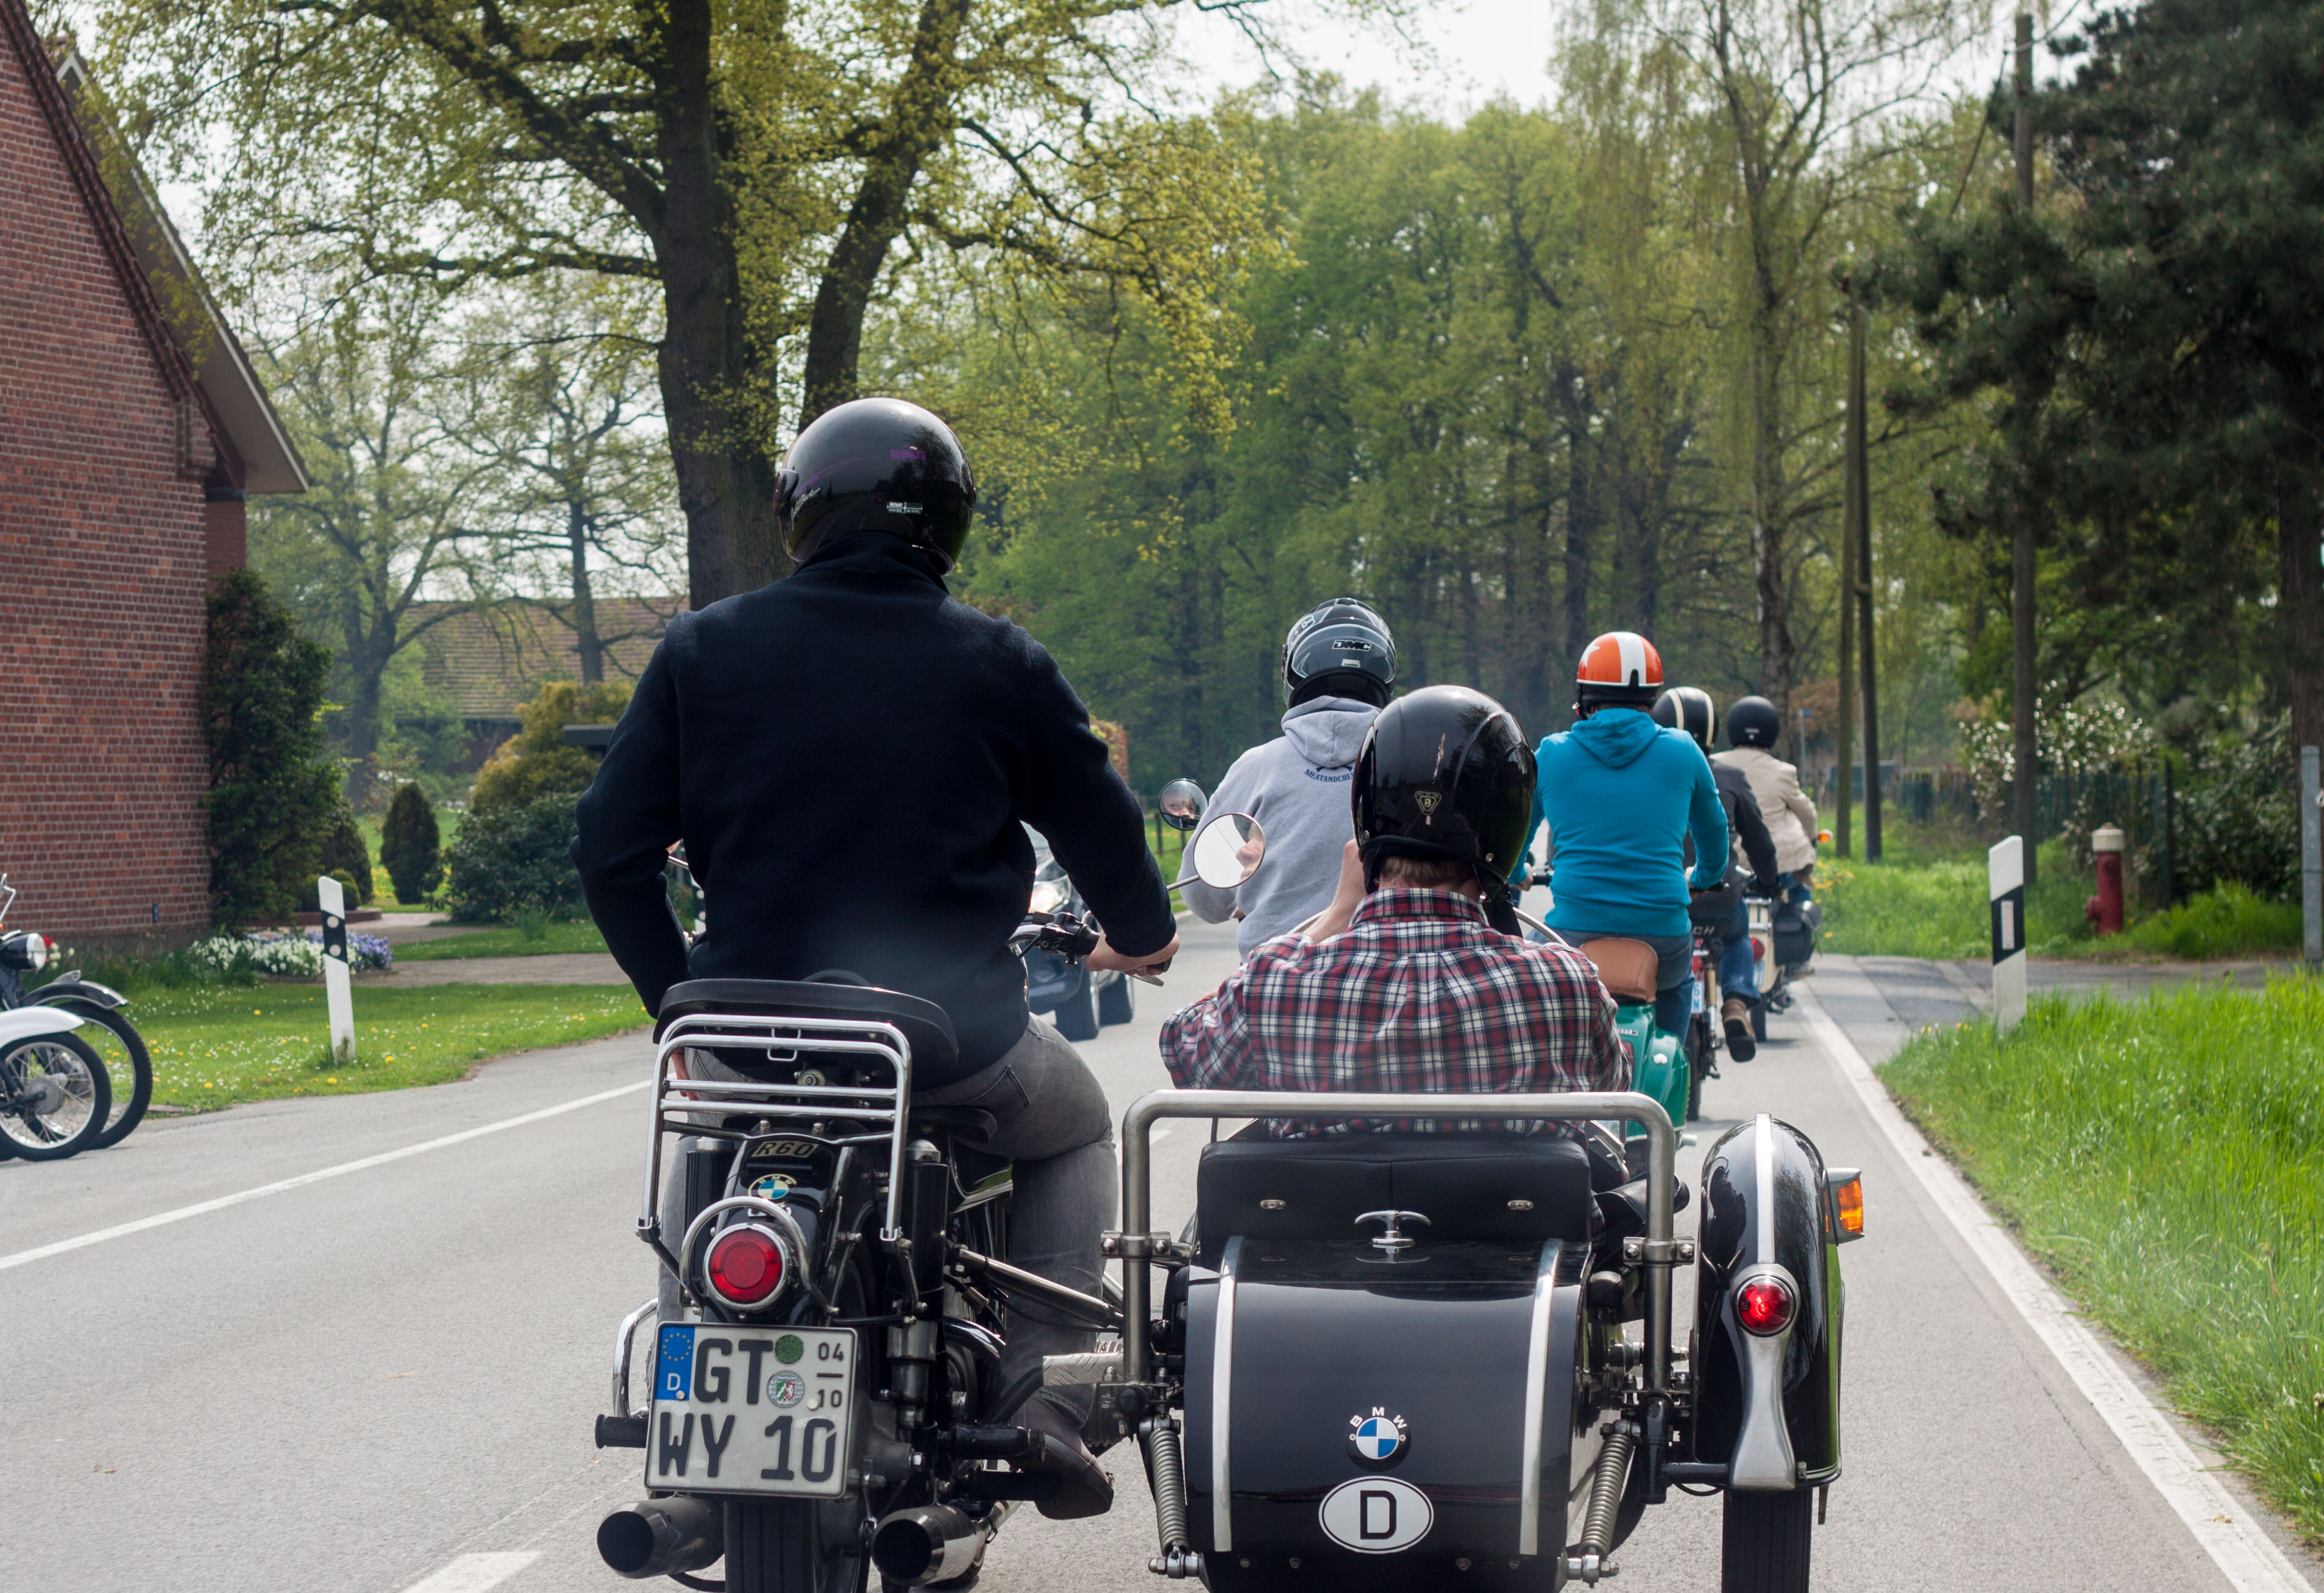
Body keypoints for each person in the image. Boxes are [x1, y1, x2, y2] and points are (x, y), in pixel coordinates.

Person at [574, 396, 1176, 1520]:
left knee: (705, 1144)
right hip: (945, 1042)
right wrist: (1142, 934)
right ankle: (1046, 1397)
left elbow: (607, 852)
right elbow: (1102, 819)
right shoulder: (997, 659)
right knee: (1076, 1125)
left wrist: (679, 1007)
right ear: (947, 523)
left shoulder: (701, 650)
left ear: (800, 513)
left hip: (751, 1032)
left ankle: (686, 1415)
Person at [1161, 686, 1635, 1133]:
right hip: (1515, 1199)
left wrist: (1332, 919)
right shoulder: (1567, 984)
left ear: (1365, 817)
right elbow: (1613, 1083)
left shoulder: (1274, 986)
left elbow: (1186, 1054)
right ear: (1505, 828)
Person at [1516, 632, 1728, 1048]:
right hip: (1662, 939)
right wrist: (1703, 877)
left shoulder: (1552, 754)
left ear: (1584, 696)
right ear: (1652, 696)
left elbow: (1515, 834)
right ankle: (1670, 1060)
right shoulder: (1684, 751)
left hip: (1572, 937)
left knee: (1533, 976)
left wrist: (1517, 871)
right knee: (1677, 987)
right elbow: (1714, 833)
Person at [1182, 599, 1393, 955]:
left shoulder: (1257, 767)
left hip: (1273, 978)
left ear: (1296, 670)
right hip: (1384, 973)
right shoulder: (1408, 767)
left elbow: (1203, 897)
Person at [1652, 686, 1778, 1062]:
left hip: (1668, 897)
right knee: (1738, 934)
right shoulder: (1731, 777)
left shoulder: (1650, 774)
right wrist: (1769, 881)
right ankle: (1736, 1000)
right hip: (1719, 897)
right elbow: (1759, 842)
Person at [1715, 694, 1822, 988]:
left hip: (1726, 864)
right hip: (1775, 864)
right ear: (1772, 731)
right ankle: (1797, 958)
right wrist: (1812, 838)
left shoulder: (1714, 764)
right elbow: (1807, 813)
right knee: (1799, 889)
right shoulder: (1782, 771)